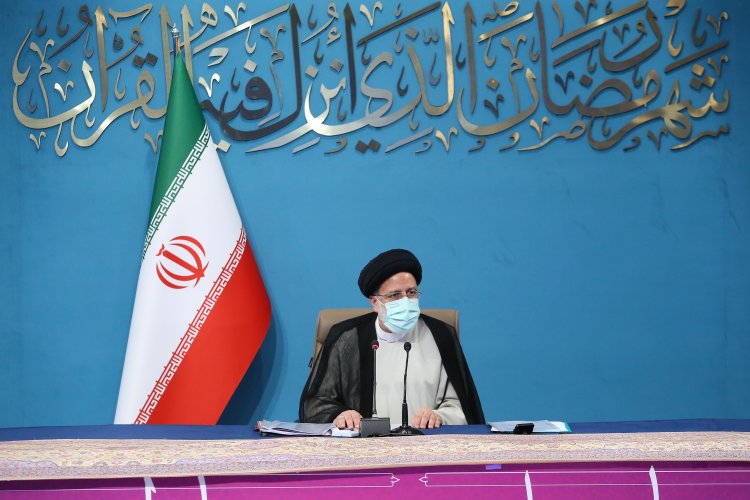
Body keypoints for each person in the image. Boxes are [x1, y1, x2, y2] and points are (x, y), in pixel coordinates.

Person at [299, 249, 484, 430]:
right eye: (395, 295)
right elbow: (315, 403)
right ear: (375, 302)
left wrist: (439, 416)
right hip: (364, 445)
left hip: (426, 441)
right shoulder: (346, 338)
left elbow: (462, 407)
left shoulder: (441, 335)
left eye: (411, 293)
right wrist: (341, 414)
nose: (405, 301)